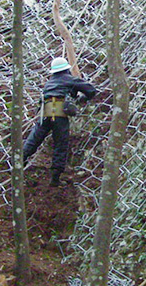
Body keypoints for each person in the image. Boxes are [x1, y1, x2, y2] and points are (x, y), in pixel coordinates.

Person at [22, 56, 97, 187]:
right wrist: (81, 99)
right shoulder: (70, 80)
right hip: (59, 114)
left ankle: (17, 163)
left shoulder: (49, 83)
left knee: (34, 140)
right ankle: (55, 179)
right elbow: (91, 91)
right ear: (67, 69)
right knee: (60, 145)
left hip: (44, 113)